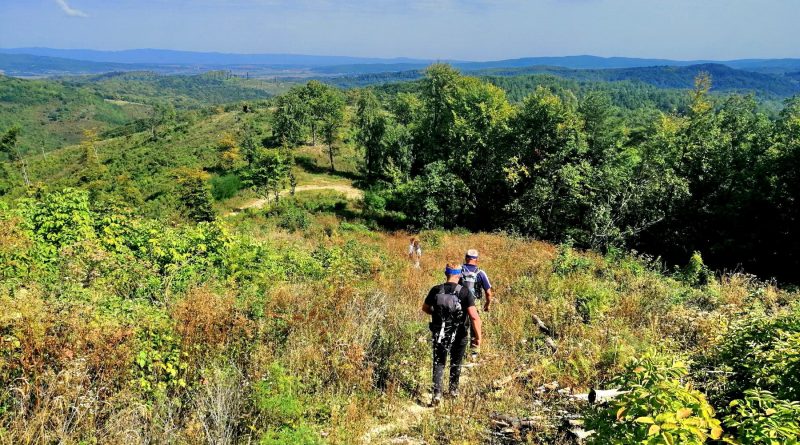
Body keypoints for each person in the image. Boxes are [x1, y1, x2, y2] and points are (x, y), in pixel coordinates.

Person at [422, 263, 482, 406]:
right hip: (459, 333)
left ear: (445, 273)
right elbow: (474, 316)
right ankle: (453, 391)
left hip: (440, 333)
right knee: (456, 361)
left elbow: (425, 308)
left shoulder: (436, 290)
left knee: (439, 362)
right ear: (460, 274)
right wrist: (478, 338)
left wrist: (436, 315)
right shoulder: (465, 292)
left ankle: (437, 394)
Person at [460, 249, 493, 358]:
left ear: (466, 257)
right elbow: (488, 293)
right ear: (476, 259)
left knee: (461, 326)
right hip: (475, 303)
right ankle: (474, 352)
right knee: (475, 326)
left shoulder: (459, 270)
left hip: (460, 303)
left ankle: (460, 351)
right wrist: (487, 305)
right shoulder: (480, 273)